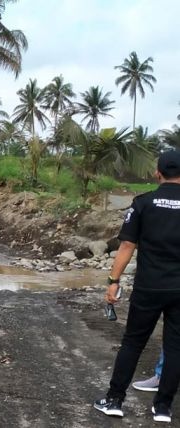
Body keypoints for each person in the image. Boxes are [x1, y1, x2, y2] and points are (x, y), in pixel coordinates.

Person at [94, 150, 180, 423]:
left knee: (133, 343)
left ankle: (114, 400)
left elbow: (127, 245)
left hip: (149, 287)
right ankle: (163, 407)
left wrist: (113, 281)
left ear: (158, 173)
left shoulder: (143, 203)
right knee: (176, 347)